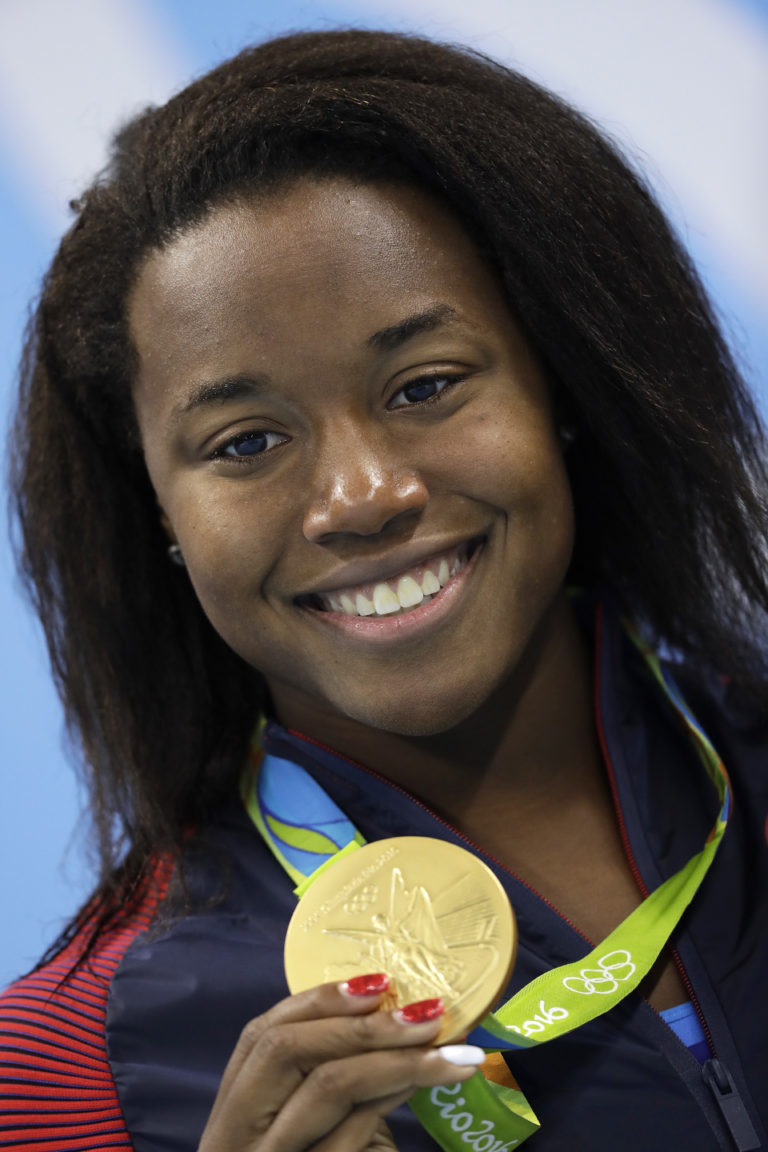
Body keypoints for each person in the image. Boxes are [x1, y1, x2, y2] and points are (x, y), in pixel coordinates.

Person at [1, 27, 767, 1152]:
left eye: (425, 384)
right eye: (246, 442)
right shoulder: (65, 1066)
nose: (361, 496)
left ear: (561, 382)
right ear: (156, 510)